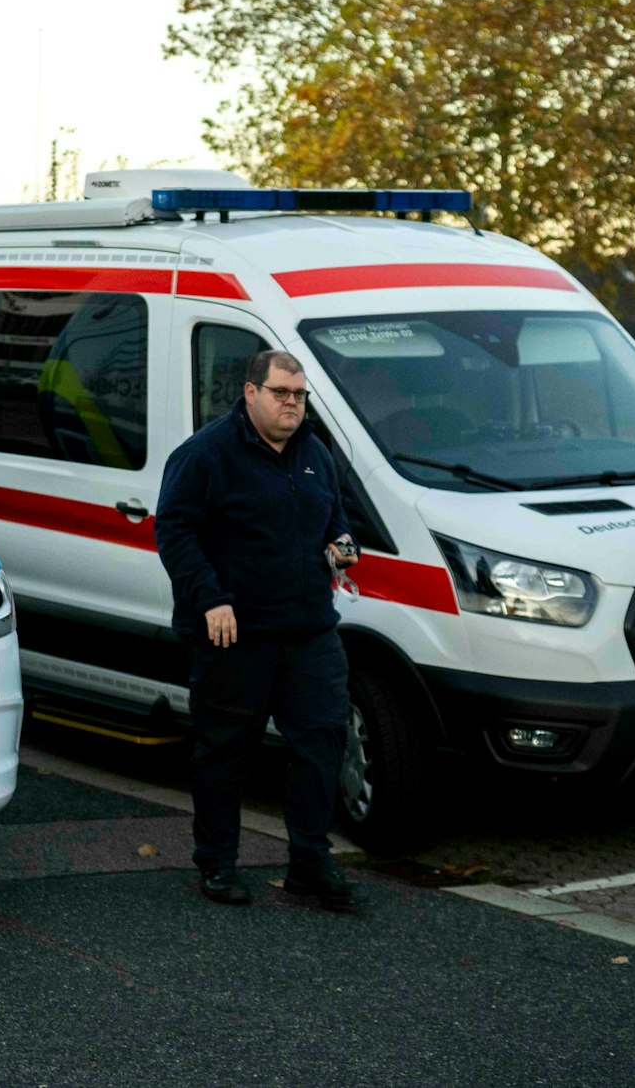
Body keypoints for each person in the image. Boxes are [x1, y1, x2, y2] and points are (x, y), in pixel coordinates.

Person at [154, 349, 361, 909]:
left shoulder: (314, 452)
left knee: (321, 743)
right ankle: (217, 865)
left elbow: (336, 517)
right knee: (225, 753)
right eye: (281, 393)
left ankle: (309, 866)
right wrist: (210, 599)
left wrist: (343, 546)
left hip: (310, 629)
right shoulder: (206, 455)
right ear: (251, 393)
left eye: (299, 395)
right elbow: (174, 531)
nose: (292, 404)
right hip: (234, 634)